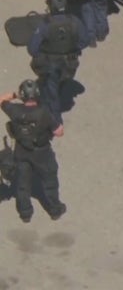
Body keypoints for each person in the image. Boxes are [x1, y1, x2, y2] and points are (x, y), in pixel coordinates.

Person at [0, 80, 66, 223]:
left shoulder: (14, 110)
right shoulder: (44, 112)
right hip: (42, 153)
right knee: (50, 182)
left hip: (22, 152)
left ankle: (25, 213)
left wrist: (15, 95)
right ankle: (55, 210)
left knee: (22, 184)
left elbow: (1, 100)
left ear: (23, 95)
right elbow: (59, 132)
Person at [28, 0, 90, 124]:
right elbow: (85, 41)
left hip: (50, 66)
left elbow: (32, 49)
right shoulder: (75, 21)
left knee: (52, 95)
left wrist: (44, 51)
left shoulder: (45, 25)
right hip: (70, 64)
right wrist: (72, 48)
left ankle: (55, 122)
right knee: (60, 85)